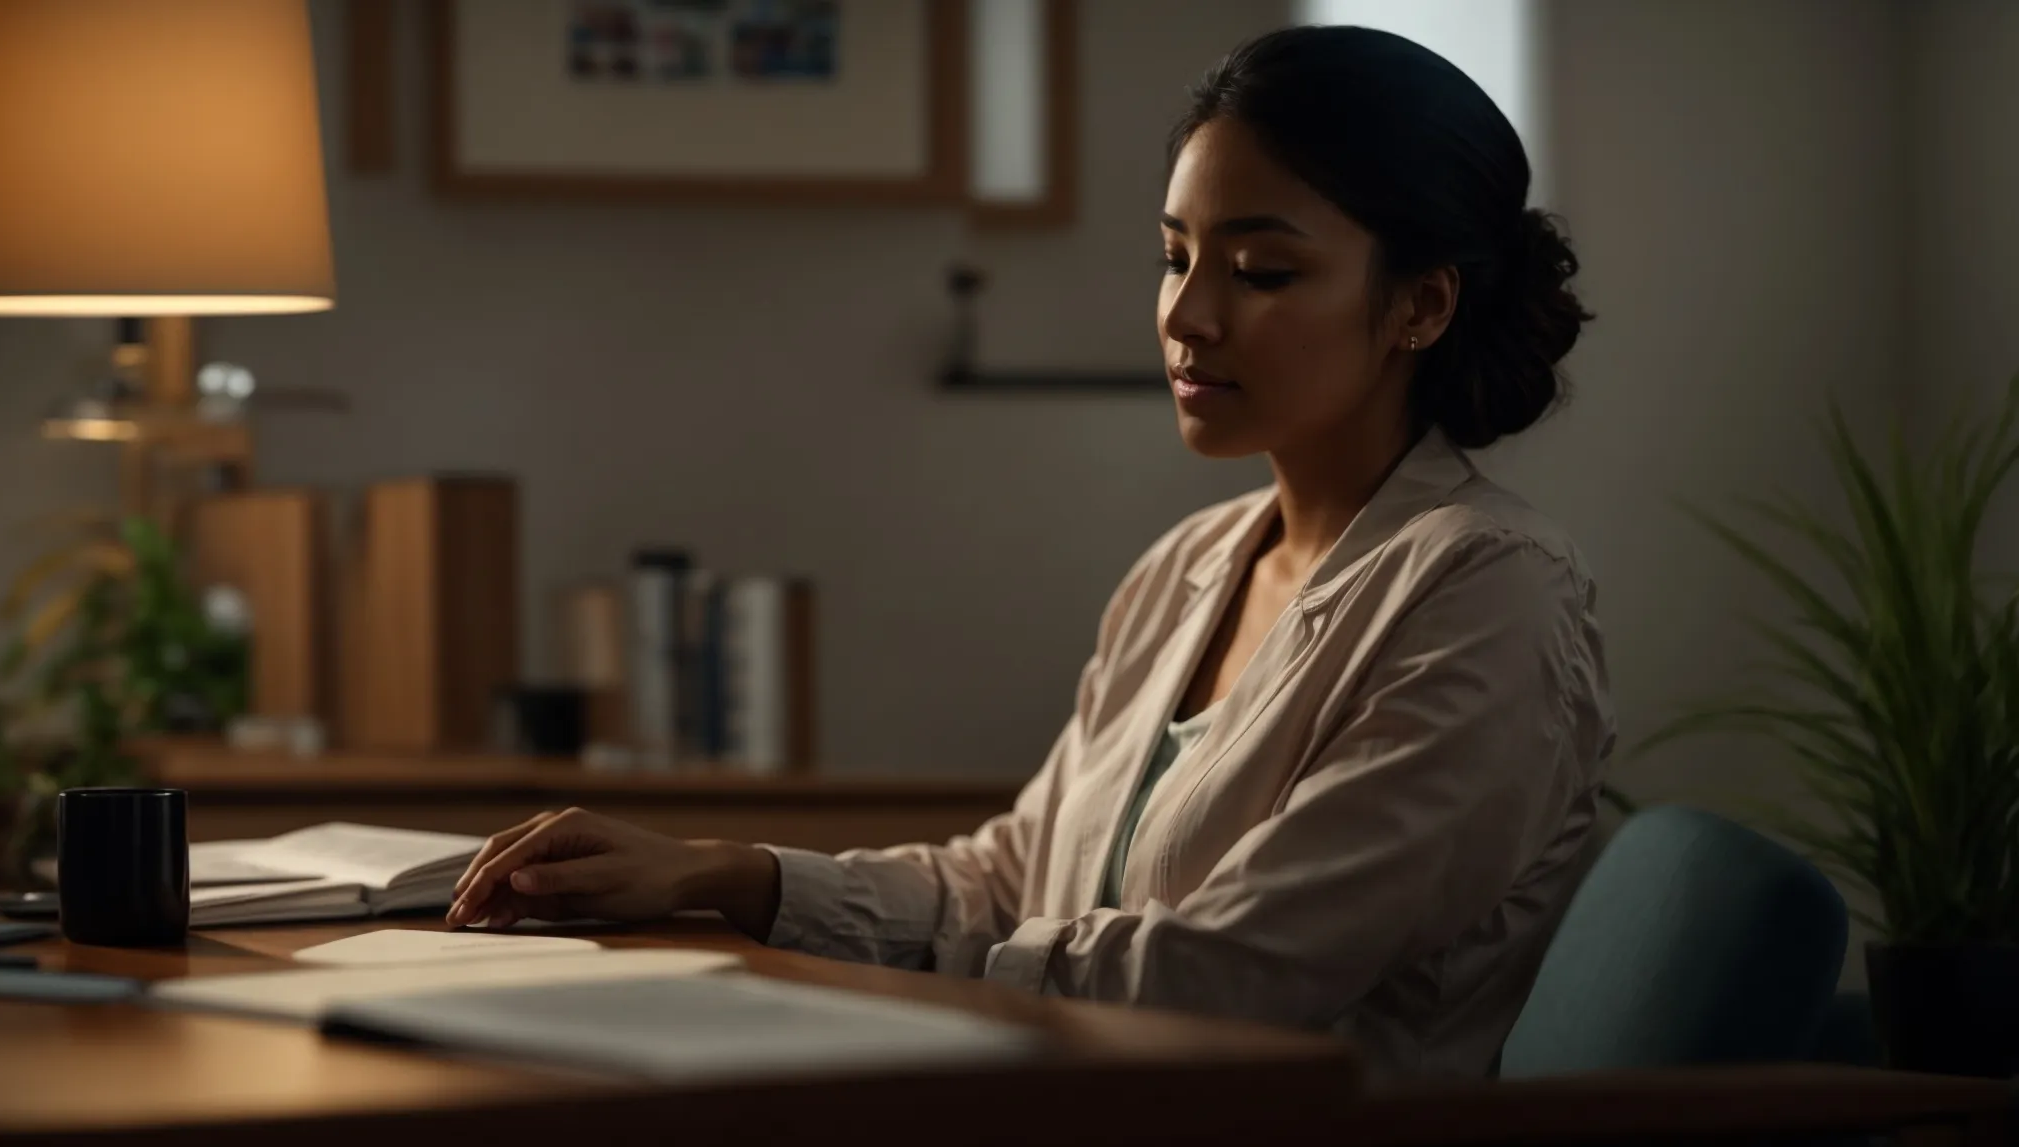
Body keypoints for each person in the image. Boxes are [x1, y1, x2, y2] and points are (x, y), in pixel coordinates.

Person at [448, 25, 1613, 1080]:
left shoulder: (1487, 590)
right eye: (1173, 256)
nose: (1186, 315)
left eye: (1261, 272)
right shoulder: (1190, 567)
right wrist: (729, 874)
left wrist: (863, 989)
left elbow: (1225, 978)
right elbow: (1009, 881)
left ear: (1421, 305)